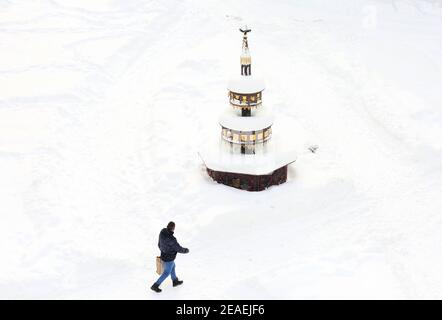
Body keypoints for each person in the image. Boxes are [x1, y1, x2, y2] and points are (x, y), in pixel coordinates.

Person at [151, 221, 189, 293]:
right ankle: (155, 285)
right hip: (169, 258)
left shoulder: (162, 232)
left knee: (173, 266)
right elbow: (178, 248)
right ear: (173, 228)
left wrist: (163, 250)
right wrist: (186, 250)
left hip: (163, 255)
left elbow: (159, 244)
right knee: (166, 272)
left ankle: (175, 281)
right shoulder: (172, 239)